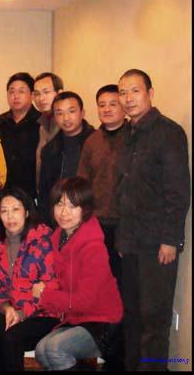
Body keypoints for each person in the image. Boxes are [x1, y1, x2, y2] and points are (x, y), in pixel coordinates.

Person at [115, 69, 190, 371]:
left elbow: (178, 192)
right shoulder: (126, 133)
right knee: (132, 317)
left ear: (150, 93)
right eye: (123, 92)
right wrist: (122, 240)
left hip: (158, 245)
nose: (128, 98)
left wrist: (170, 240)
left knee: (154, 321)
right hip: (130, 242)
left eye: (135, 91)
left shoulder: (168, 133)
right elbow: (124, 190)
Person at [33, 177, 123, 371]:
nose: (64, 212)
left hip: (102, 322)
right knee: (41, 350)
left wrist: (45, 295)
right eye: (59, 204)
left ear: (85, 209)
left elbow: (86, 299)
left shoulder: (93, 246)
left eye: (72, 206)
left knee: (55, 349)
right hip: (77, 317)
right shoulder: (60, 237)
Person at [0, 187, 59, 371]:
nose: (10, 216)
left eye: (15, 209)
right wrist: (6, 308)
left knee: (11, 338)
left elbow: (51, 287)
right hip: (10, 308)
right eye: (4, 211)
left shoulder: (43, 241)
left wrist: (21, 314)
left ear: (27, 212)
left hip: (43, 313)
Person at [77, 84, 126, 283]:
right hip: (97, 222)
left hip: (126, 223)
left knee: (124, 280)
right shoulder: (92, 141)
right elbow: (83, 181)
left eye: (113, 104)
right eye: (102, 105)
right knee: (99, 278)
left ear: (123, 106)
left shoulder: (134, 137)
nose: (107, 109)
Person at [38, 91, 94, 223]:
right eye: (59, 113)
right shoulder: (49, 150)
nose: (66, 118)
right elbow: (45, 191)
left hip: (89, 216)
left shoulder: (96, 143)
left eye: (71, 111)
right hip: (60, 217)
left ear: (82, 113)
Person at [0, 72, 41, 201]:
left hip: (32, 195)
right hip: (1, 193)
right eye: (11, 92)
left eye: (21, 91)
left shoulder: (42, 123)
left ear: (32, 95)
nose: (16, 96)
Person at [33, 72, 63, 194]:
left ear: (59, 93)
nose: (41, 98)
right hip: (45, 193)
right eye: (37, 94)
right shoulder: (42, 124)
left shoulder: (67, 124)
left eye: (46, 92)